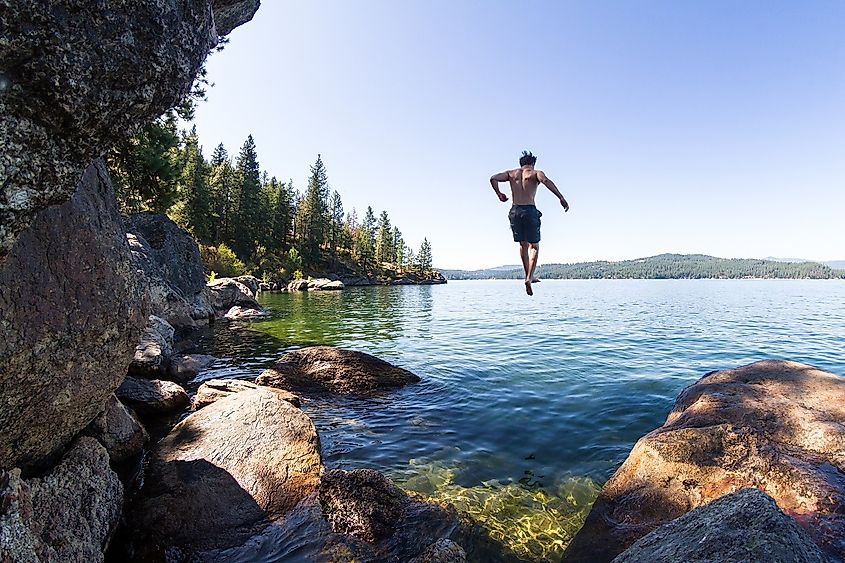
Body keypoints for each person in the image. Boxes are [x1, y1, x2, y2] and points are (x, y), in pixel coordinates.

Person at [489, 151, 569, 295]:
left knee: (523, 245)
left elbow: (493, 178)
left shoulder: (511, 173)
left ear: (521, 164)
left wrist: (499, 194)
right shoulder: (535, 173)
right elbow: (545, 181)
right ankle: (529, 277)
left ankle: (528, 276)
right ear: (532, 164)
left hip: (515, 211)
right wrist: (561, 197)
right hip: (529, 210)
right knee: (535, 247)